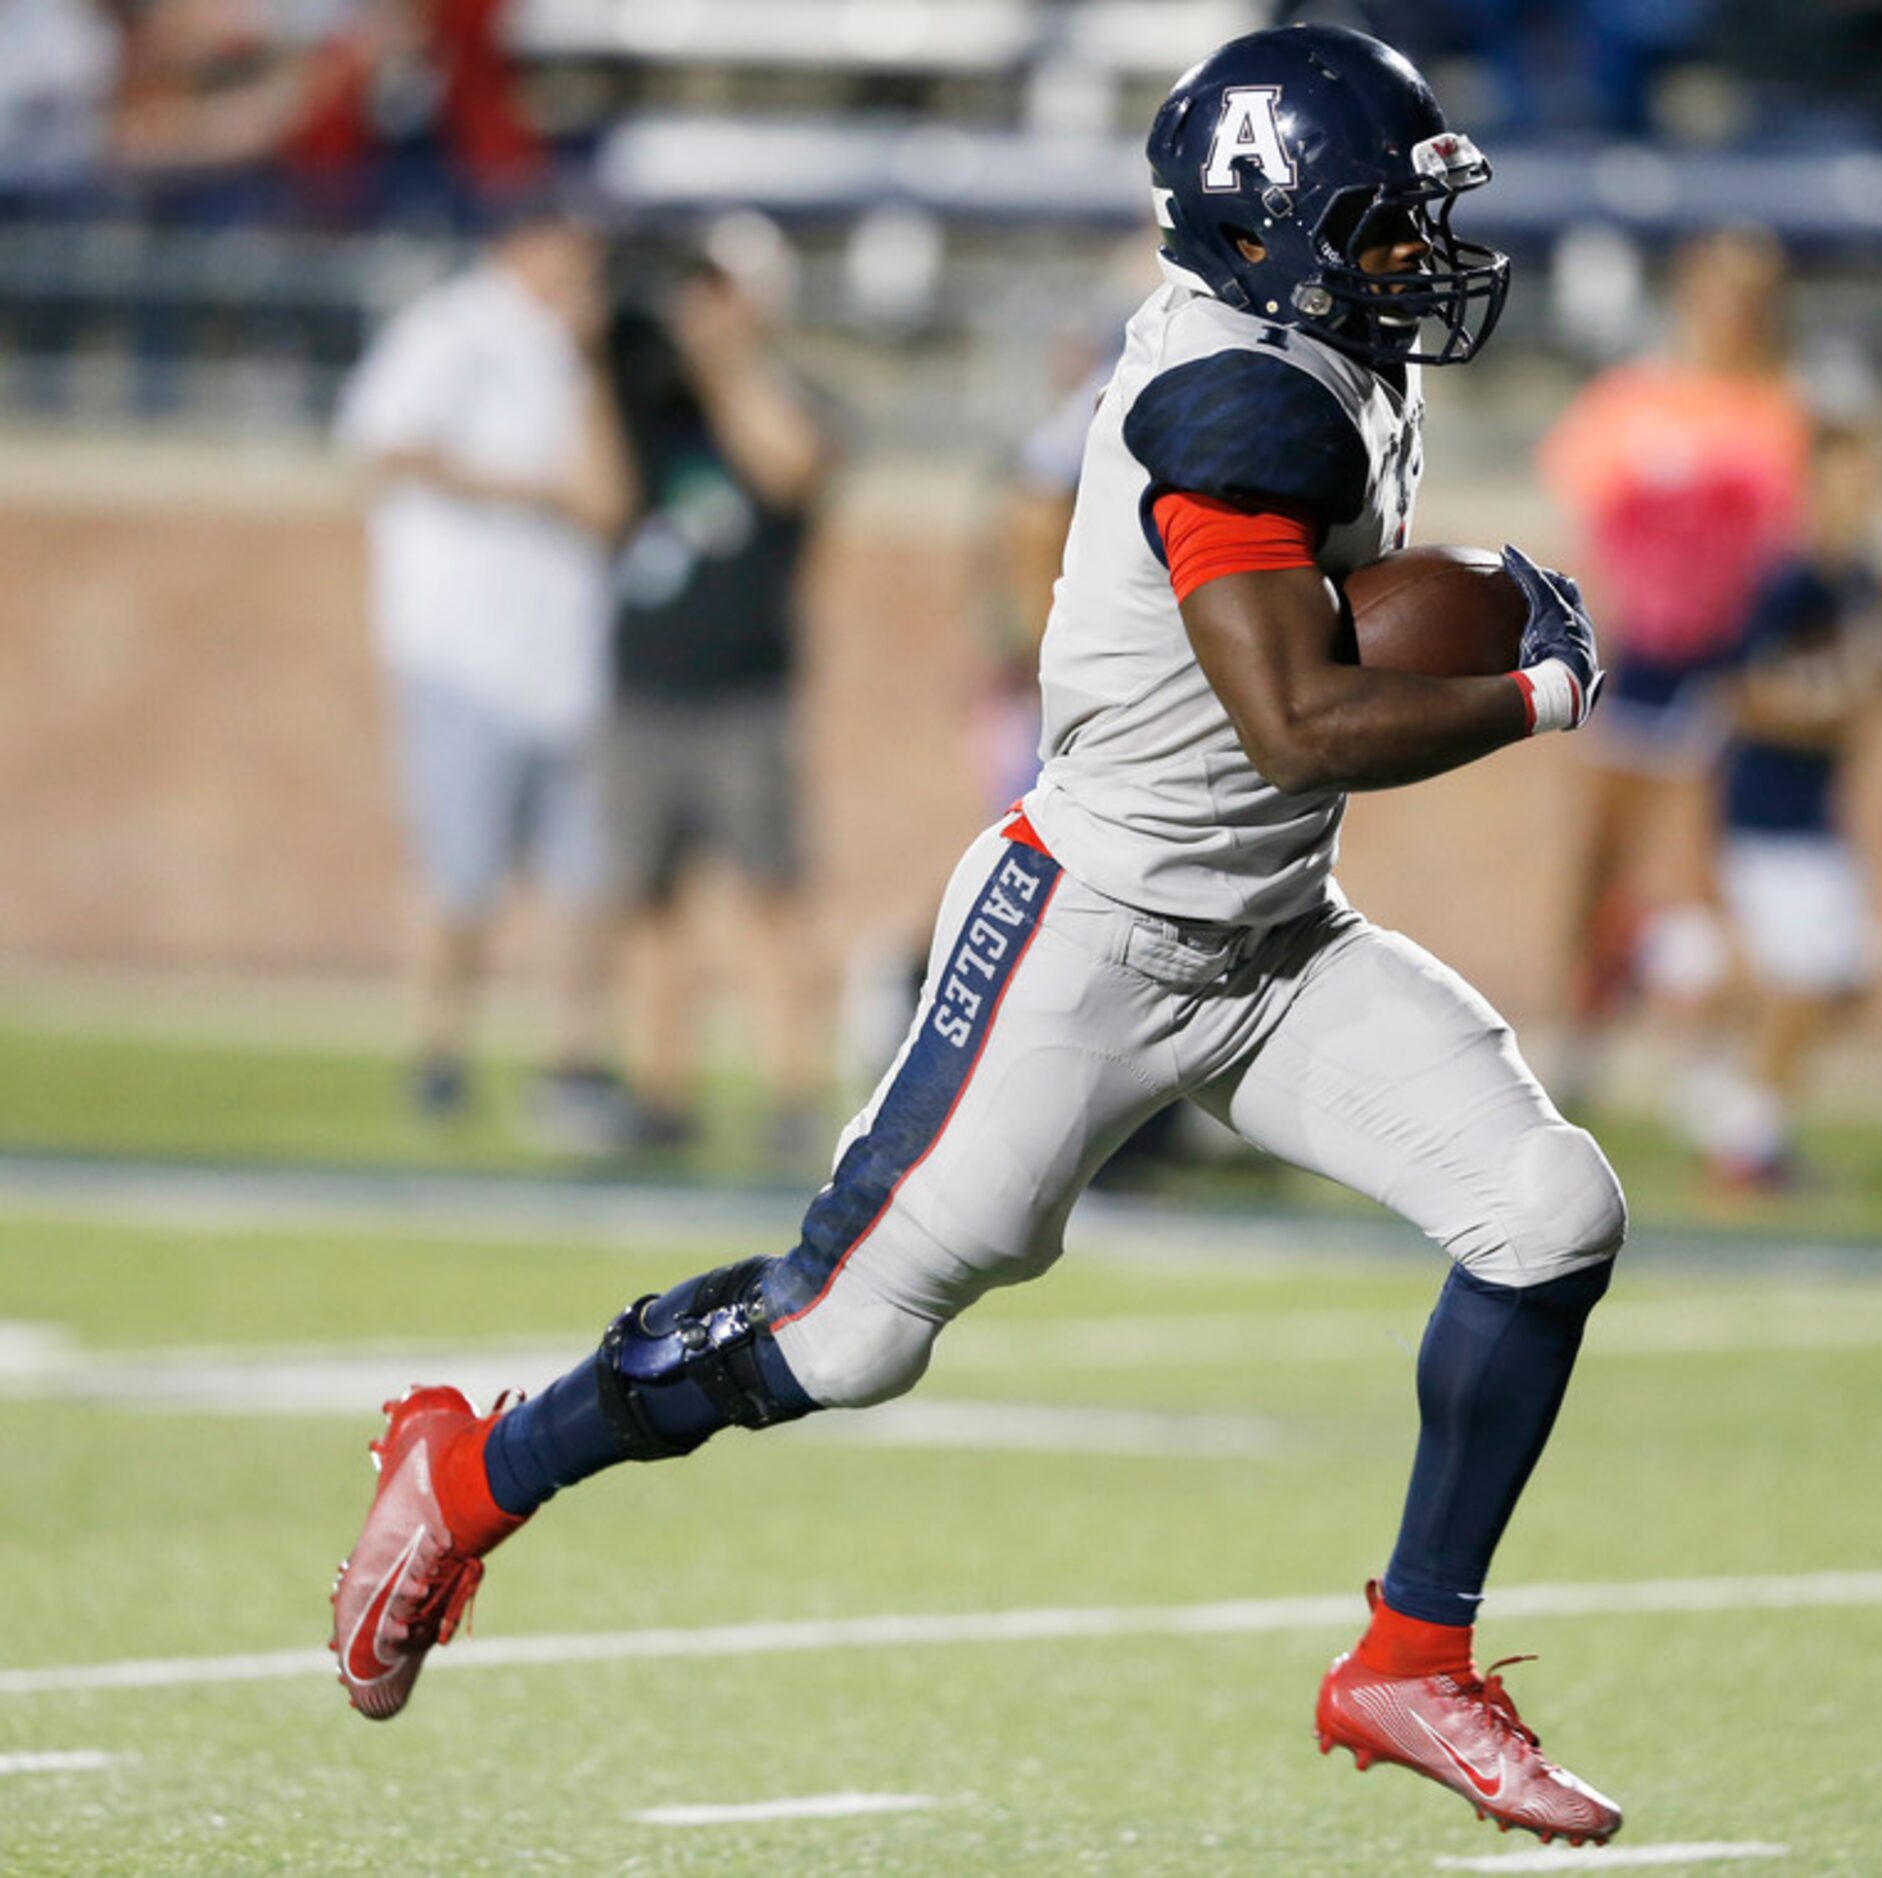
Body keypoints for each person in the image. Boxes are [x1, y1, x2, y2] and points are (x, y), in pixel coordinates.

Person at [329, 25, 1627, 1848]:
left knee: (1549, 1208)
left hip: (1268, 938)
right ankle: (468, 1472)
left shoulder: (1314, 354)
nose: (1412, 257)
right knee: (839, 1335)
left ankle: (1409, 1654)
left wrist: (1453, 605)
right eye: (1374, 221)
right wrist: (1534, 689)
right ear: (1265, 230)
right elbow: (1298, 724)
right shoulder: (1234, 402)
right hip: (1087, 936)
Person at [335, 196, 628, 1141]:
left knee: (584, 877)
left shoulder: (588, 351)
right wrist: (523, 487)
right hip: (460, 649)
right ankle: (437, 1053)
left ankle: (575, 1058)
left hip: (570, 654)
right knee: (457, 872)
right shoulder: (453, 329)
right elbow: (382, 446)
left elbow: (610, 499)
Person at [1536, 228, 1809, 1094]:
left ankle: (1708, 1066)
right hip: (1643, 658)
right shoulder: (1635, 400)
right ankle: (1579, 1038)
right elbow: (1582, 518)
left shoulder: (1783, 410)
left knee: (1708, 865)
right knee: (1603, 858)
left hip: (1735, 666)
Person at [594, 212, 841, 1163]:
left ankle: (790, 1094)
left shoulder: (791, 392)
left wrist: (725, 358)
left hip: (746, 691)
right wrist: (591, 364)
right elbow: (599, 504)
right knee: (647, 898)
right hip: (645, 683)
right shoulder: (636, 394)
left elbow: (789, 471)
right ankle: (660, 1092)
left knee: (771, 895)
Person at [1699, 423, 1882, 1185]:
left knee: (1843, 979)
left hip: (1819, 805)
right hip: (1771, 802)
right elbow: (1742, 693)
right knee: (1805, 976)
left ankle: (1737, 1087)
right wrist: (1831, 708)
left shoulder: (1863, 576)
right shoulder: (1791, 580)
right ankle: (1748, 1135)